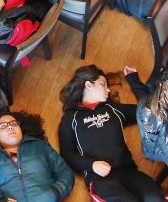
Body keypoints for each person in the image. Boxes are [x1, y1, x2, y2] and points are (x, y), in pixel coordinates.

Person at [58, 66, 162, 202]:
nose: (108, 89)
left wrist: (134, 81)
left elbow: (148, 111)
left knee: (155, 198)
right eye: (103, 84)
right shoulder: (70, 118)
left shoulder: (113, 109)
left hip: (128, 171)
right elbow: (67, 153)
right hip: (99, 179)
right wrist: (92, 165)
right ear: (88, 85)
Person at [0, 111, 75, 201]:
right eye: (3, 126)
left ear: (21, 130)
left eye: (13, 123)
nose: (10, 127)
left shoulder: (40, 146)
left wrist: (56, 192)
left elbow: (65, 171)